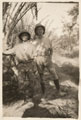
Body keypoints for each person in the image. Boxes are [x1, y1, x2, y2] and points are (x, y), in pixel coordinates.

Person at [3, 31, 43, 104]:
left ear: (28, 36)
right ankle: (26, 97)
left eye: (26, 35)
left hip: (30, 64)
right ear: (21, 37)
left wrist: (36, 67)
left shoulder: (32, 46)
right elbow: (8, 52)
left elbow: (36, 56)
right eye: (23, 35)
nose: (24, 37)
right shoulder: (17, 46)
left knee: (32, 80)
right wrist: (4, 50)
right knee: (21, 82)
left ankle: (32, 97)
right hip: (21, 66)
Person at [32, 24, 65, 96]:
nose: (39, 31)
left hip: (47, 58)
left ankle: (58, 91)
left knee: (54, 73)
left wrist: (50, 57)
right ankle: (43, 93)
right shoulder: (34, 42)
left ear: (43, 31)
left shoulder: (47, 39)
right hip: (38, 59)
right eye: (38, 30)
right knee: (41, 76)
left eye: (41, 29)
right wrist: (35, 59)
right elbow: (32, 52)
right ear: (36, 32)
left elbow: (51, 50)